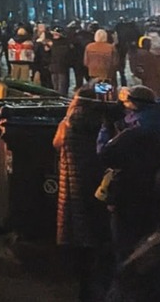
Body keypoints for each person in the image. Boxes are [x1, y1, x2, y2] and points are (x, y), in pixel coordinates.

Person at [97, 85, 160, 264]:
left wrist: (106, 127)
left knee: (124, 247)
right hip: (156, 195)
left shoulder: (134, 132)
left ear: (134, 105)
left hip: (128, 195)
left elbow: (105, 154)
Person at [52, 85, 112, 301]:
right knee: (96, 232)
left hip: (72, 184)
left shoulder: (67, 124)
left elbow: (56, 144)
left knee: (77, 231)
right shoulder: (101, 123)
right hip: (95, 183)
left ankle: (83, 285)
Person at [50, 27, 72, 96]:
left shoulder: (65, 43)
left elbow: (68, 56)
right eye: (54, 34)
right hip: (54, 68)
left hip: (62, 68)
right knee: (55, 86)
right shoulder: (51, 43)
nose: (55, 35)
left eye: (57, 34)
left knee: (62, 87)